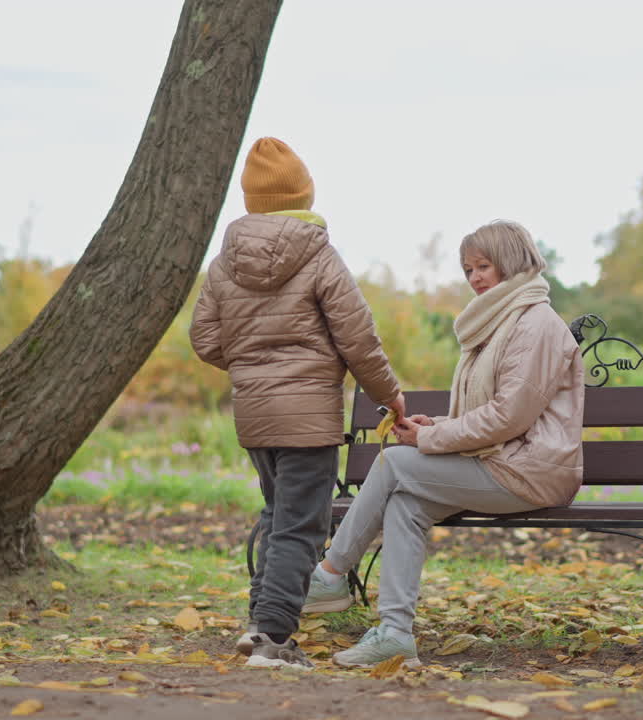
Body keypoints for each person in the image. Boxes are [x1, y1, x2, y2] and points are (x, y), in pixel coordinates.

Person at [303, 220, 585, 668]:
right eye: (468, 269)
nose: (474, 277)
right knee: (405, 506)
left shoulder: (536, 325)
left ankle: (331, 574)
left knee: (395, 465)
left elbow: (510, 416)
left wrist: (430, 438)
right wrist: (433, 425)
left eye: (483, 266)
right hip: (502, 461)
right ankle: (394, 634)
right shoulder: (497, 321)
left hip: (532, 471)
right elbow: (493, 411)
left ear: (511, 262)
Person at [189, 137, 405, 670]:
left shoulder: (224, 264)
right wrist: (391, 398)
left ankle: (259, 626)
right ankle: (273, 640)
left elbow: (204, 339)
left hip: (256, 418)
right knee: (299, 528)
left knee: (276, 516)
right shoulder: (318, 255)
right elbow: (359, 340)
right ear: (302, 195)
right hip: (307, 418)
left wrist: (254, 366)